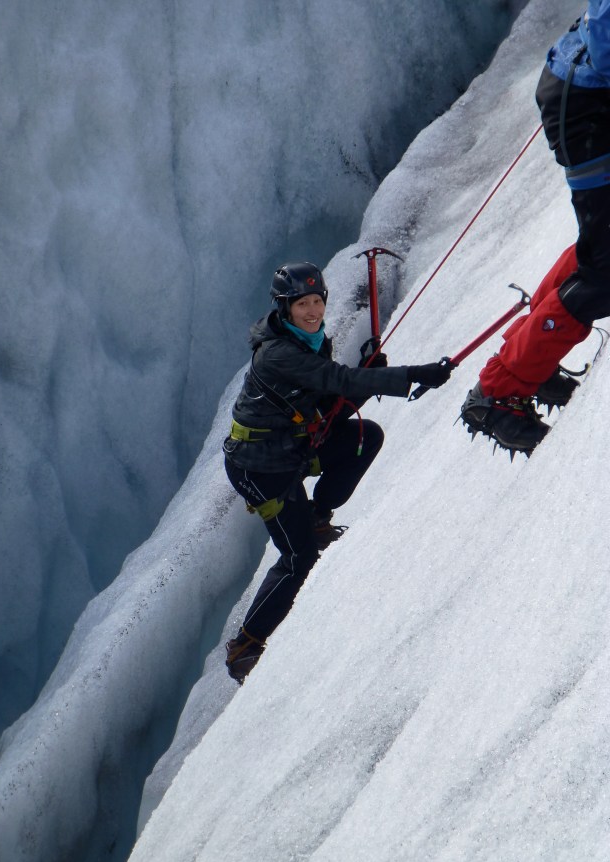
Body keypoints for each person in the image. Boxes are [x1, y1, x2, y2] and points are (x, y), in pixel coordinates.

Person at [222, 261, 453, 683]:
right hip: (259, 467)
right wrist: (412, 376)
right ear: (284, 308)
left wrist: (369, 372)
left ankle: (316, 516)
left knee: (365, 437)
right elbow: (337, 380)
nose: (312, 311)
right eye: (302, 304)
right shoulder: (279, 353)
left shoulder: (308, 341)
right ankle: (245, 645)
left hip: (290, 451)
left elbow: (328, 403)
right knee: (299, 557)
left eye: (317, 301)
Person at [461, 3, 610, 454]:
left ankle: (529, 360)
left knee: (602, 248)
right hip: (586, 105)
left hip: (583, 90)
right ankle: (499, 391)